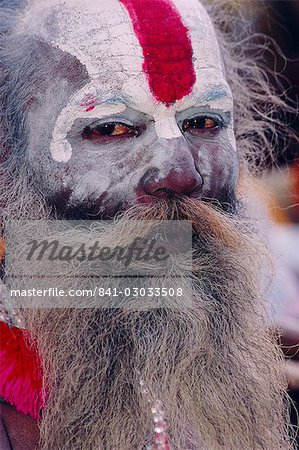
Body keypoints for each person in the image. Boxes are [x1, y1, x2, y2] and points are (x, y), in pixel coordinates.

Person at [0, 0, 295, 449]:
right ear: (7, 158)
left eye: (202, 121)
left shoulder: (247, 370)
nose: (181, 174)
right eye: (111, 129)